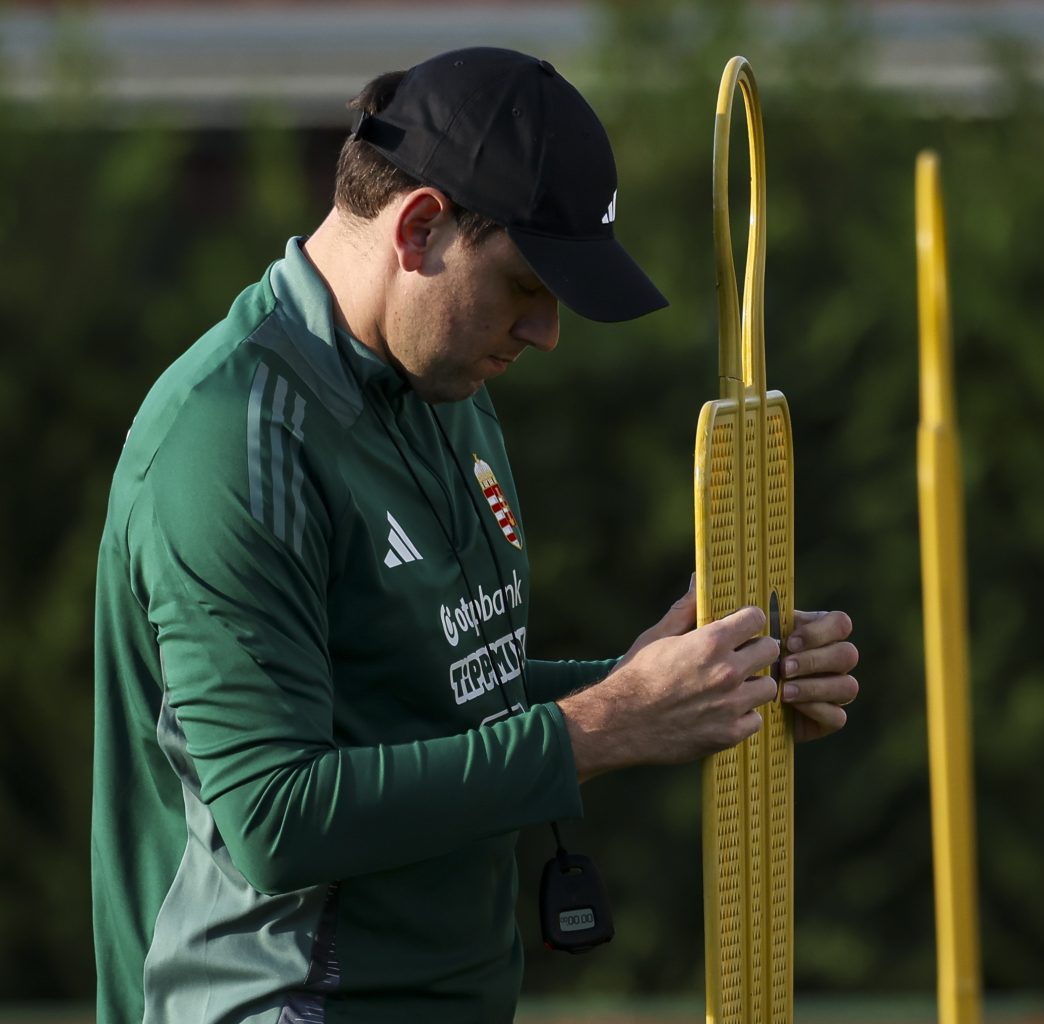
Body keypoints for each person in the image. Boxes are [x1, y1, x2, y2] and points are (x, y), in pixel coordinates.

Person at [92, 47, 858, 1024]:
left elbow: (434, 693)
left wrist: (679, 681)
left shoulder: (444, 383)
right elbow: (276, 816)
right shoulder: (233, 438)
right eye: (527, 285)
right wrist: (607, 723)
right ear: (419, 228)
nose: (547, 333)